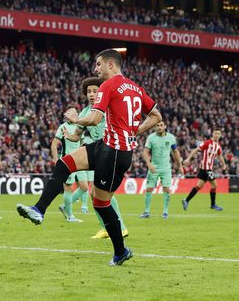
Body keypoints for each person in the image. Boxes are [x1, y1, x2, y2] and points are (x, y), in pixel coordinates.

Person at [17, 49, 161, 266]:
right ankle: (38, 210)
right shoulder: (137, 88)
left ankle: (120, 251)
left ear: (111, 64)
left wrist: (76, 119)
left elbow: (94, 119)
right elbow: (156, 116)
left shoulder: (109, 85)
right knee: (64, 163)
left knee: (100, 203)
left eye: (99, 64)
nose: (96, 69)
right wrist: (133, 131)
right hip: (107, 145)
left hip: (114, 153)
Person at [63, 77, 128, 238]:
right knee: (95, 194)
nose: (91, 94)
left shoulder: (107, 106)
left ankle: (120, 227)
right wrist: (68, 135)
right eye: (89, 91)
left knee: (103, 193)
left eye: (95, 91)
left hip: (111, 151)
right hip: (99, 153)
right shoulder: (85, 112)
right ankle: (107, 228)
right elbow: (77, 136)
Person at [139, 121, 182, 219]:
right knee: (149, 188)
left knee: (166, 189)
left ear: (165, 126)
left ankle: (165, 212)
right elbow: (145, 152)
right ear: (155, 127)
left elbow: (175, 152)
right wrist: (149, 164)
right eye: (157, 125)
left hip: (166, 168)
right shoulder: (151, 137)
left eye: (161, 125)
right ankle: (146, 212)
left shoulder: (171, 138)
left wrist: (180, 165)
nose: (159, 127)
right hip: (154, 167)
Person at [51, 105, 85, 223]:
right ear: (67, 115)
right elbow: (54, 144)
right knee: (68, 187)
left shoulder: (79, 126)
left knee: (84, 187)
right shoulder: (63, 127)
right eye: (71, 113)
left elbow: (82, 142)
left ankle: (65, 206)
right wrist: (56, 160)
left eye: (75, 113)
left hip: (80, 160)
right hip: (67, 160)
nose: (74, 115)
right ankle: (70, 216)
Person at [182, 128, 226, 211]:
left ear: (220, 135)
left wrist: (223, 164)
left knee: (199, 186)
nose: (216, 135)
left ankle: (186, 200)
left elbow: (220, 155)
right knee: (214, 185)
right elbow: (196, 149)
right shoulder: (207, 143)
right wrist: (188, 159)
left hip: (205, 169)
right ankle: (213, 205)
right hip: (207, 168)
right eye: (215, 133)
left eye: (218, 134)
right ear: (212, 134)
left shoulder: (218, 146)